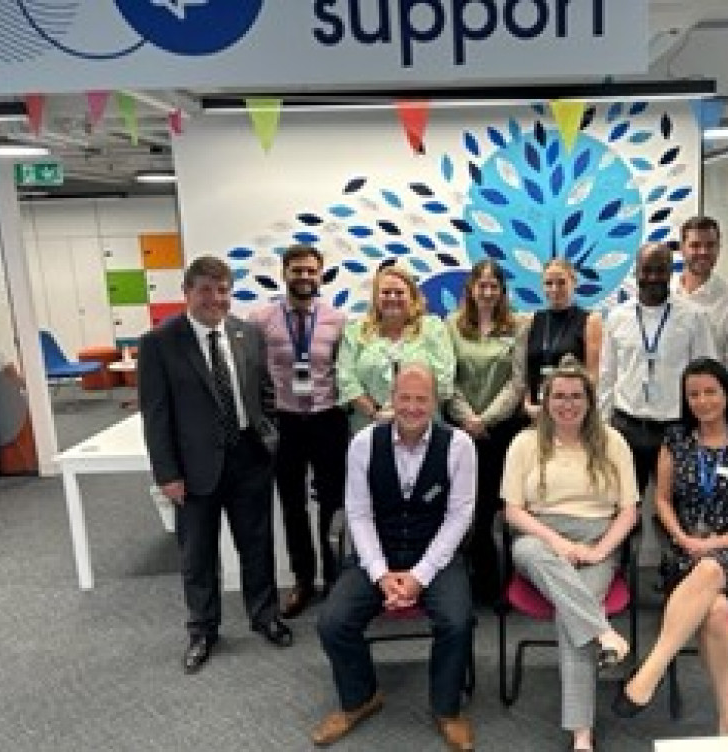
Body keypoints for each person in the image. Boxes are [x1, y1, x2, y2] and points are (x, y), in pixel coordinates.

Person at [613, 357, 728, 736]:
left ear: (726, 394)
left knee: (712, 568)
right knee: (715, 609)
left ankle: (652, 668)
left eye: (710, 392)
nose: (702, 401)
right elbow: (660, 500)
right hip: (687, 550)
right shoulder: (675, 441)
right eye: (694, 394)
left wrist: (720, 543)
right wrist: (682, 537)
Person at [138, 256, 292, 675]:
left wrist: (269, 438)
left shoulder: (248, 333)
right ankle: (203, 630)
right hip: (193, 469)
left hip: (248, 458)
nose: (215, 298)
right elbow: (156, 416)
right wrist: (167, 475)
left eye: (222, 289)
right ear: (187, 293)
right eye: (205, 289)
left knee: (256, 545)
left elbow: (264, 394)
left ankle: (264, 616)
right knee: (198, 554)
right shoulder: (159, 343)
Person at [314, 363, 477, 751]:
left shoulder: (459, 446)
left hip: (435, 556)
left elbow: (460, 517)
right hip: (378, 554)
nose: (412, 407)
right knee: (332, 622)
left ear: (435, 402)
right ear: (392, 399)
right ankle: (360, 698)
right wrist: (380, 572)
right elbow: (358, 513)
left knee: (458, 621)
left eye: (421, 399)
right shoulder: (363, 443)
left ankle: (447, 709)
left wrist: (419, 575)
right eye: (404, 398)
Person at [501, 354, 638, 752]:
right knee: (532, 553)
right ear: (545, 401)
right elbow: (512, 511)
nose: (567, 403)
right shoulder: (525, 443)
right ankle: (604, 632)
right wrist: (560, 545)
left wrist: (600, 553)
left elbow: (628, 511)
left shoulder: (613, 441)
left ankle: (581, 733)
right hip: (540, 537)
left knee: (570, 611)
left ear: (589, 400)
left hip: (598, 538)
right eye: (558, 396)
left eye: (576, 396)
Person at [247, 244, 350, 618]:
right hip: (286, 422)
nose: (304, 277)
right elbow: (253, 374)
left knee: (332, 504)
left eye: (311, 271)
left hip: (328, 419)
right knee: (292, 507)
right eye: (297, 271)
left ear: (320, 274)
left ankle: (335, 579)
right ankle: (303, 579)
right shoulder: (260, 320)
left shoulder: (337, 320)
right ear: (284, 273)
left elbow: (345, 372)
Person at [599, 242, 714, 497]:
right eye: (646, 270)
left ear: (671, 271)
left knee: (678, 506)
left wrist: (706, 427)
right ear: (636, 271)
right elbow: (607, 376)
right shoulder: (617, 318)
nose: (653, 277)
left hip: (676, 429)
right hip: (626, 426)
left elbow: (706, 379)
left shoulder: (694, 317)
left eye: (660, 270)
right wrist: (603, 427)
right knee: (623, 506)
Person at [446, 259, 527, 603]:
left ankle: (505, 581)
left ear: (503, 291)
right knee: (470, 508)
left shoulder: (519, 326)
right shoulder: (450, 326)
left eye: (494, 286)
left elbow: (518, 382)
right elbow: (447, 379)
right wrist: (469, 419)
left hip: (502, 432)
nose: (488, 292)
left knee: (501, 507)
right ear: (471, 289)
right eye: (482, 286)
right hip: (462, 431)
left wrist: (486, 419)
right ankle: (479, 580)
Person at [336, 265, 455, 432]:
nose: (392, 297)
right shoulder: (355, 331)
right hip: (369, 426)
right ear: (376, 298)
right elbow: (346, 379)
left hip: (423, 426)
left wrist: (409, 415)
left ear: (412, 297)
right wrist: (375, 413)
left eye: (399, 293)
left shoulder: (433, 328)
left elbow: (443, 381)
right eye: (385, 292)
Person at [672, 216, 728, 422]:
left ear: (719, 248)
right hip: (668, 410)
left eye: (710, 245)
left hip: (709, 412)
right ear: (682, 248)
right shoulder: (666, 293)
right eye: (695, 245)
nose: (703, 252)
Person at [515, 258, 602, 422]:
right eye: (549, 283)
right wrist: (527, 403)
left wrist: (576, 408)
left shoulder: (590, 321)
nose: (555, 289)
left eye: (561, 282)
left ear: (574, 282)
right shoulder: (531, 320)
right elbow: (526, 371)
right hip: (536, 413)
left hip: (570, 413)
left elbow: (592, 376)